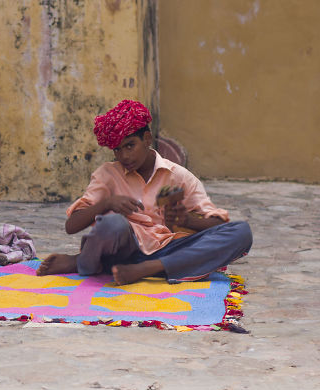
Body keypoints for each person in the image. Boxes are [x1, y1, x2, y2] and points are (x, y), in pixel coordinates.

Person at [37, 99, 252, 285]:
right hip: (123, 249)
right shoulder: (107, 174)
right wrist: (107, 204)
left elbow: (219, 225)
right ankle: (87, 262)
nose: (124, 156)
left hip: (168, 249)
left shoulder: (179, 175)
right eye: (117, 150)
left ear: (147, 139)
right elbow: (71, 226)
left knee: (241, 232)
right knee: (112, 224)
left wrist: (188, 221)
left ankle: (146, 269)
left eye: (130, 146)